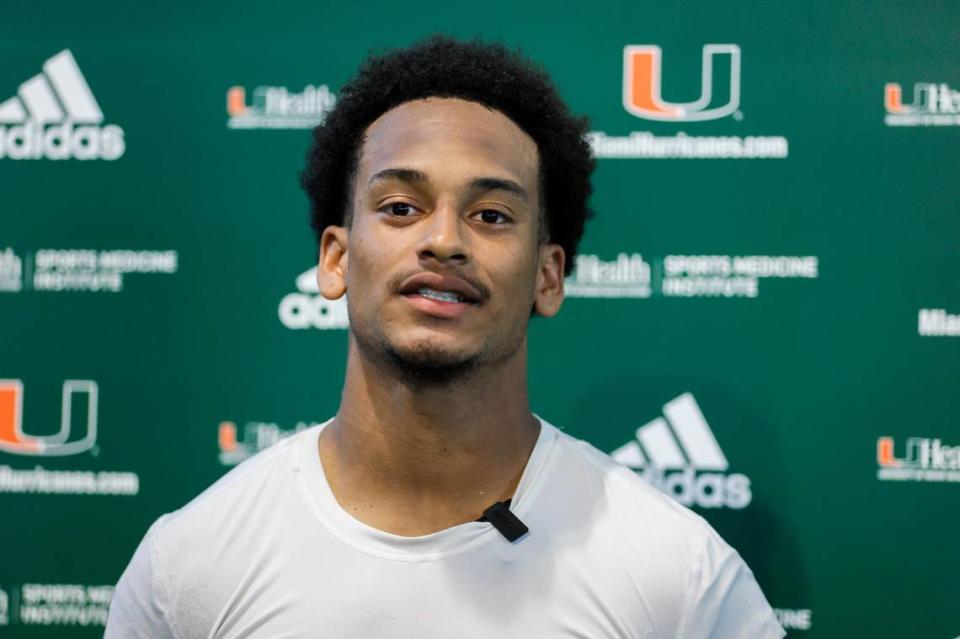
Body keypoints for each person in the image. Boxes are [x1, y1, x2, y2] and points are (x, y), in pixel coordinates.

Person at [106, 35, 785, 638]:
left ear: (549, 277)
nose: (443, 240)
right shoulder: (189, 567)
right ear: (336, 258)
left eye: (491, 214)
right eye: (401, 207)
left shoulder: (679, 579)